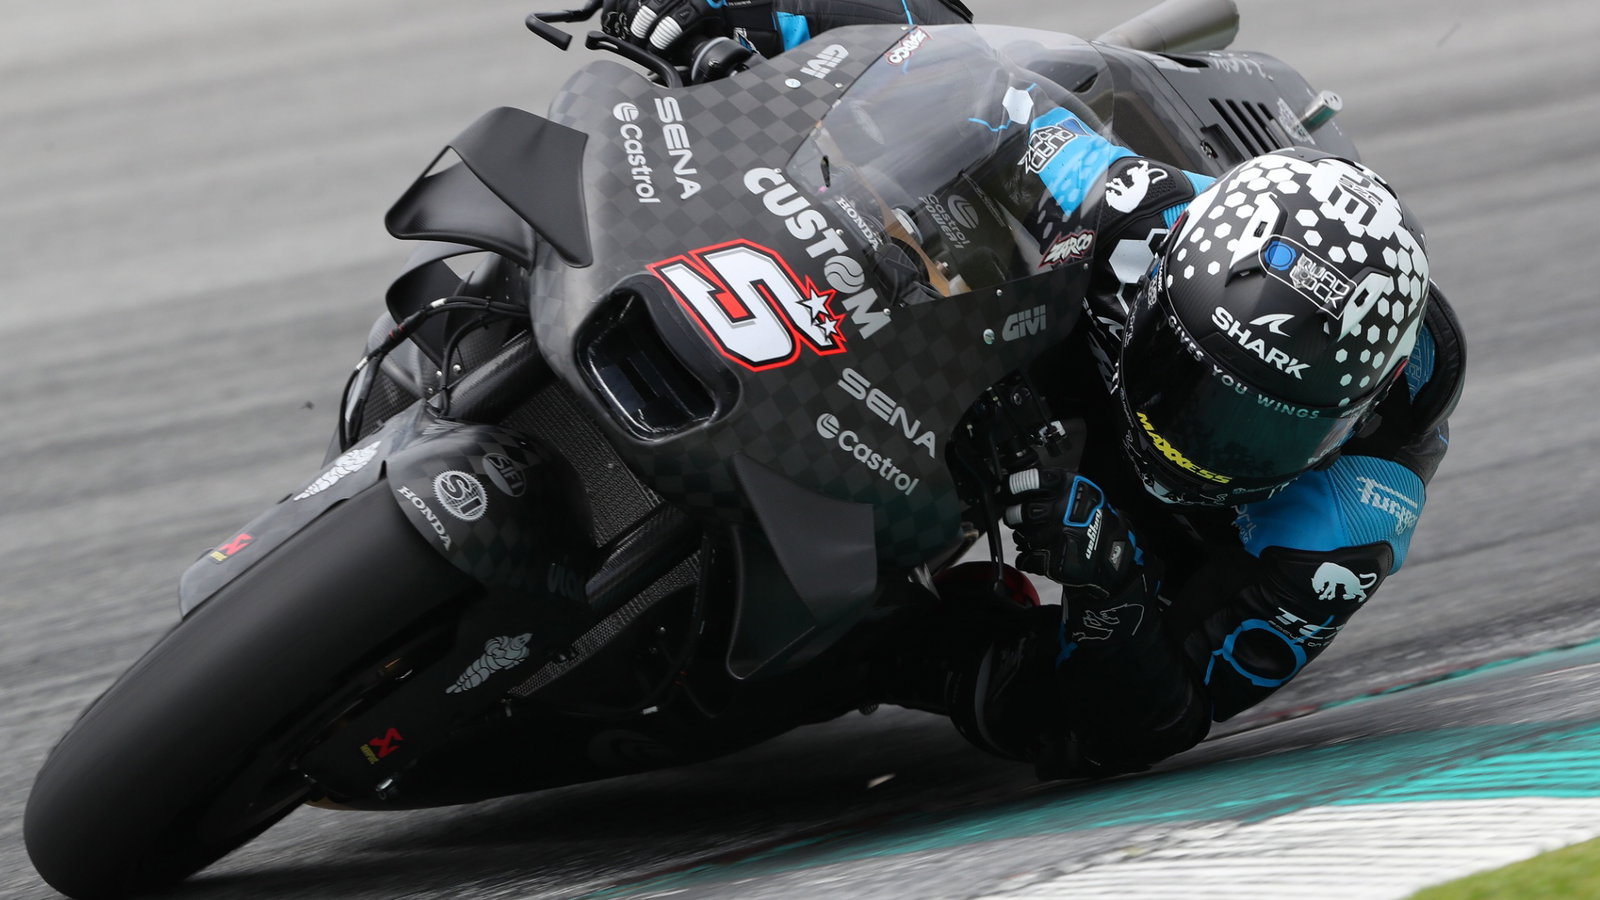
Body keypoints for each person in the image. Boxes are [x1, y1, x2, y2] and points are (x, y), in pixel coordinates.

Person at [602, 0, 1467, 778]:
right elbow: (958, 71)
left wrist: (1111, 588)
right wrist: (738, 23)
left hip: (1133, 535)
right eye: (1191, 382)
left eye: (1259, 424)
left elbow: (1169, 716)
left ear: (1354, 412)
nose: (1200, 438)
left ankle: (881, 655)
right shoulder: (1136, 207)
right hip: (1085, 311)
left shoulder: (1355, 509)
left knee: (1044, 716)